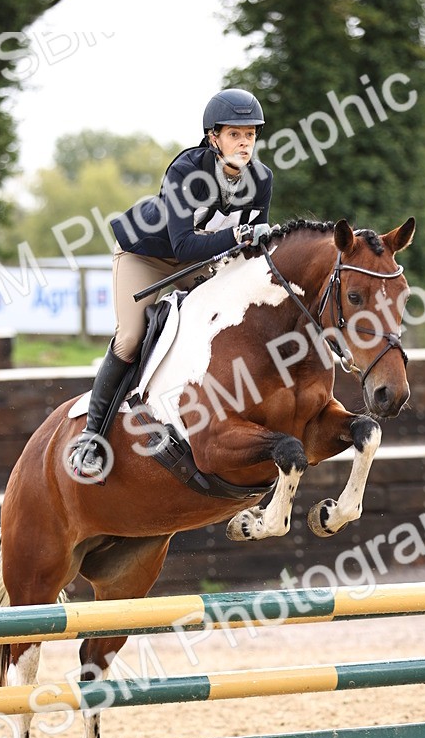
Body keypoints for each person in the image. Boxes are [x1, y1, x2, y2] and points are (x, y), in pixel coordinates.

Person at [69, 87, 275, 479]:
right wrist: (239, 237)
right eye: (235, 134)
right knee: (130, 337)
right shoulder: (187, 171)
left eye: (250, 134)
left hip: (202, 261)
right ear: (213, 137)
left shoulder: (261, 179)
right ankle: (91, 438)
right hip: (145, 256)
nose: (244, 142)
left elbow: (249, 247)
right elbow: (183, 246)